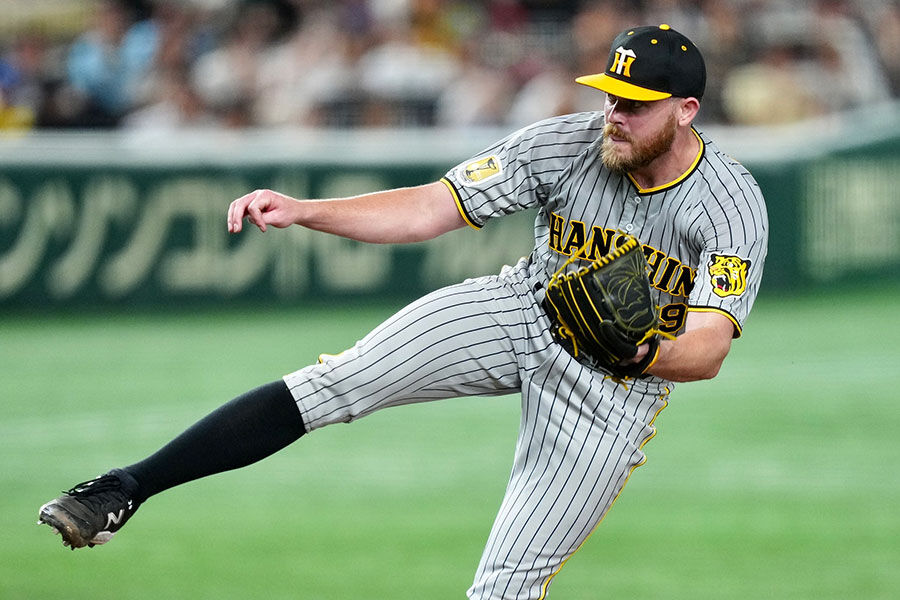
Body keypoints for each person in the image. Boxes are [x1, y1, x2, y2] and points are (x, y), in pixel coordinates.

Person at [38, 24, 768, 599]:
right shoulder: (564, 143)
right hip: (524, 309)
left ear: (686, 111)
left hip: (613, 386)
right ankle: (125, 488)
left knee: (504, 587)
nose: (614, 115)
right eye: (610, 96)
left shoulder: (729, 204)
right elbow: (428, 208)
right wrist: (305, 210)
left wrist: (638, 351)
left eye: (634, 105)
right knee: (336, 382)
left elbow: (708, 348)